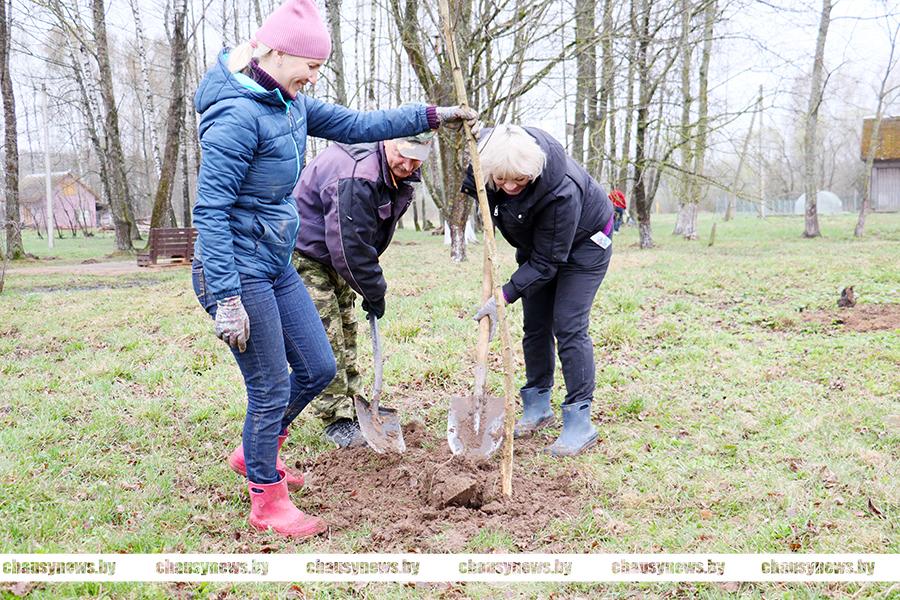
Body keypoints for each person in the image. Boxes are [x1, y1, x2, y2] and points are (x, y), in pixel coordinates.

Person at [190, 0, 476, 538]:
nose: (314, 78)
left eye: (320, 69)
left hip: (274, 262)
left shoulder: (286, 102)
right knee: (271, 386)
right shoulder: (235, 115)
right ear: (274, 52)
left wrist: (433, 116)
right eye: (311, 66)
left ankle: (256, 452)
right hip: (233, 272)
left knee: (318, 369)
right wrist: (227, 297)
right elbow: (210, 211)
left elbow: (358, 123)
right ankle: (266, 501)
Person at [463, 124, 614, 456]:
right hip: (538, 245)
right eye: (501, 180)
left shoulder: (562, 190)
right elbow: (476, 179)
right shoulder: (492, 156)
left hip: (585, 244)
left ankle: (579, 421)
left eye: (519, 180)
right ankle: (537, 406)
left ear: (532, 171)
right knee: (535, 324)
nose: (510, 186)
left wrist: (503, 295)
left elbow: (548, 262)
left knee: (568, 324)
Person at [291, 131, 435, 447]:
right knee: (326, 337)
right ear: (387, 141)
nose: (410, 164)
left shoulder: (391, 170)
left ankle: (353, 404)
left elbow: (358, 239)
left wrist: (368, 287)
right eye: (404, 153)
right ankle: (336, 419)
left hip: (332, 256)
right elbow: (350, 246)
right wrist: (375, 290)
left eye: (418, 158)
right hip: (304, 254)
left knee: (346, 329)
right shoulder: (357, 174)